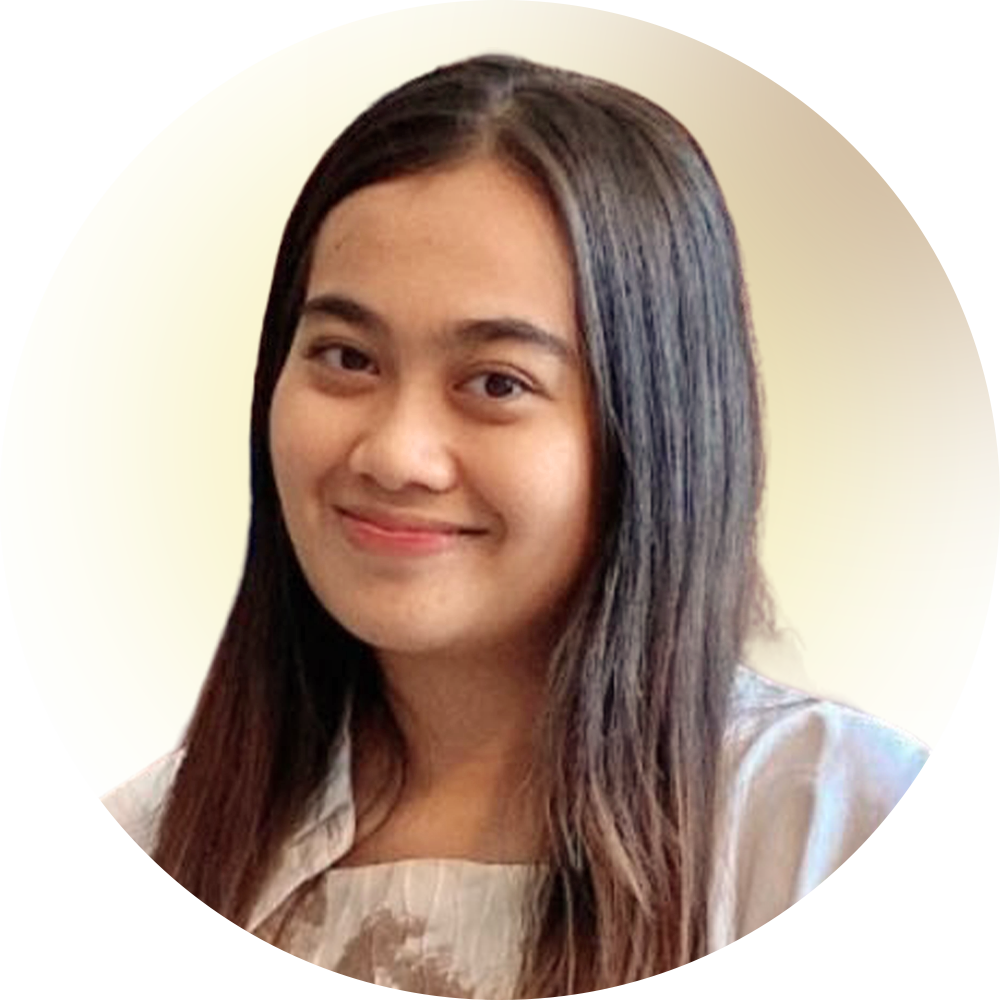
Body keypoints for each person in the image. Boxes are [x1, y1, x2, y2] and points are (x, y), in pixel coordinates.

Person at [5, 54, 998, 1000]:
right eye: (347, 358)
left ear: (651, 427)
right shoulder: (112, 871)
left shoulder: (838, 833)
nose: (395, 452)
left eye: (496, 383)